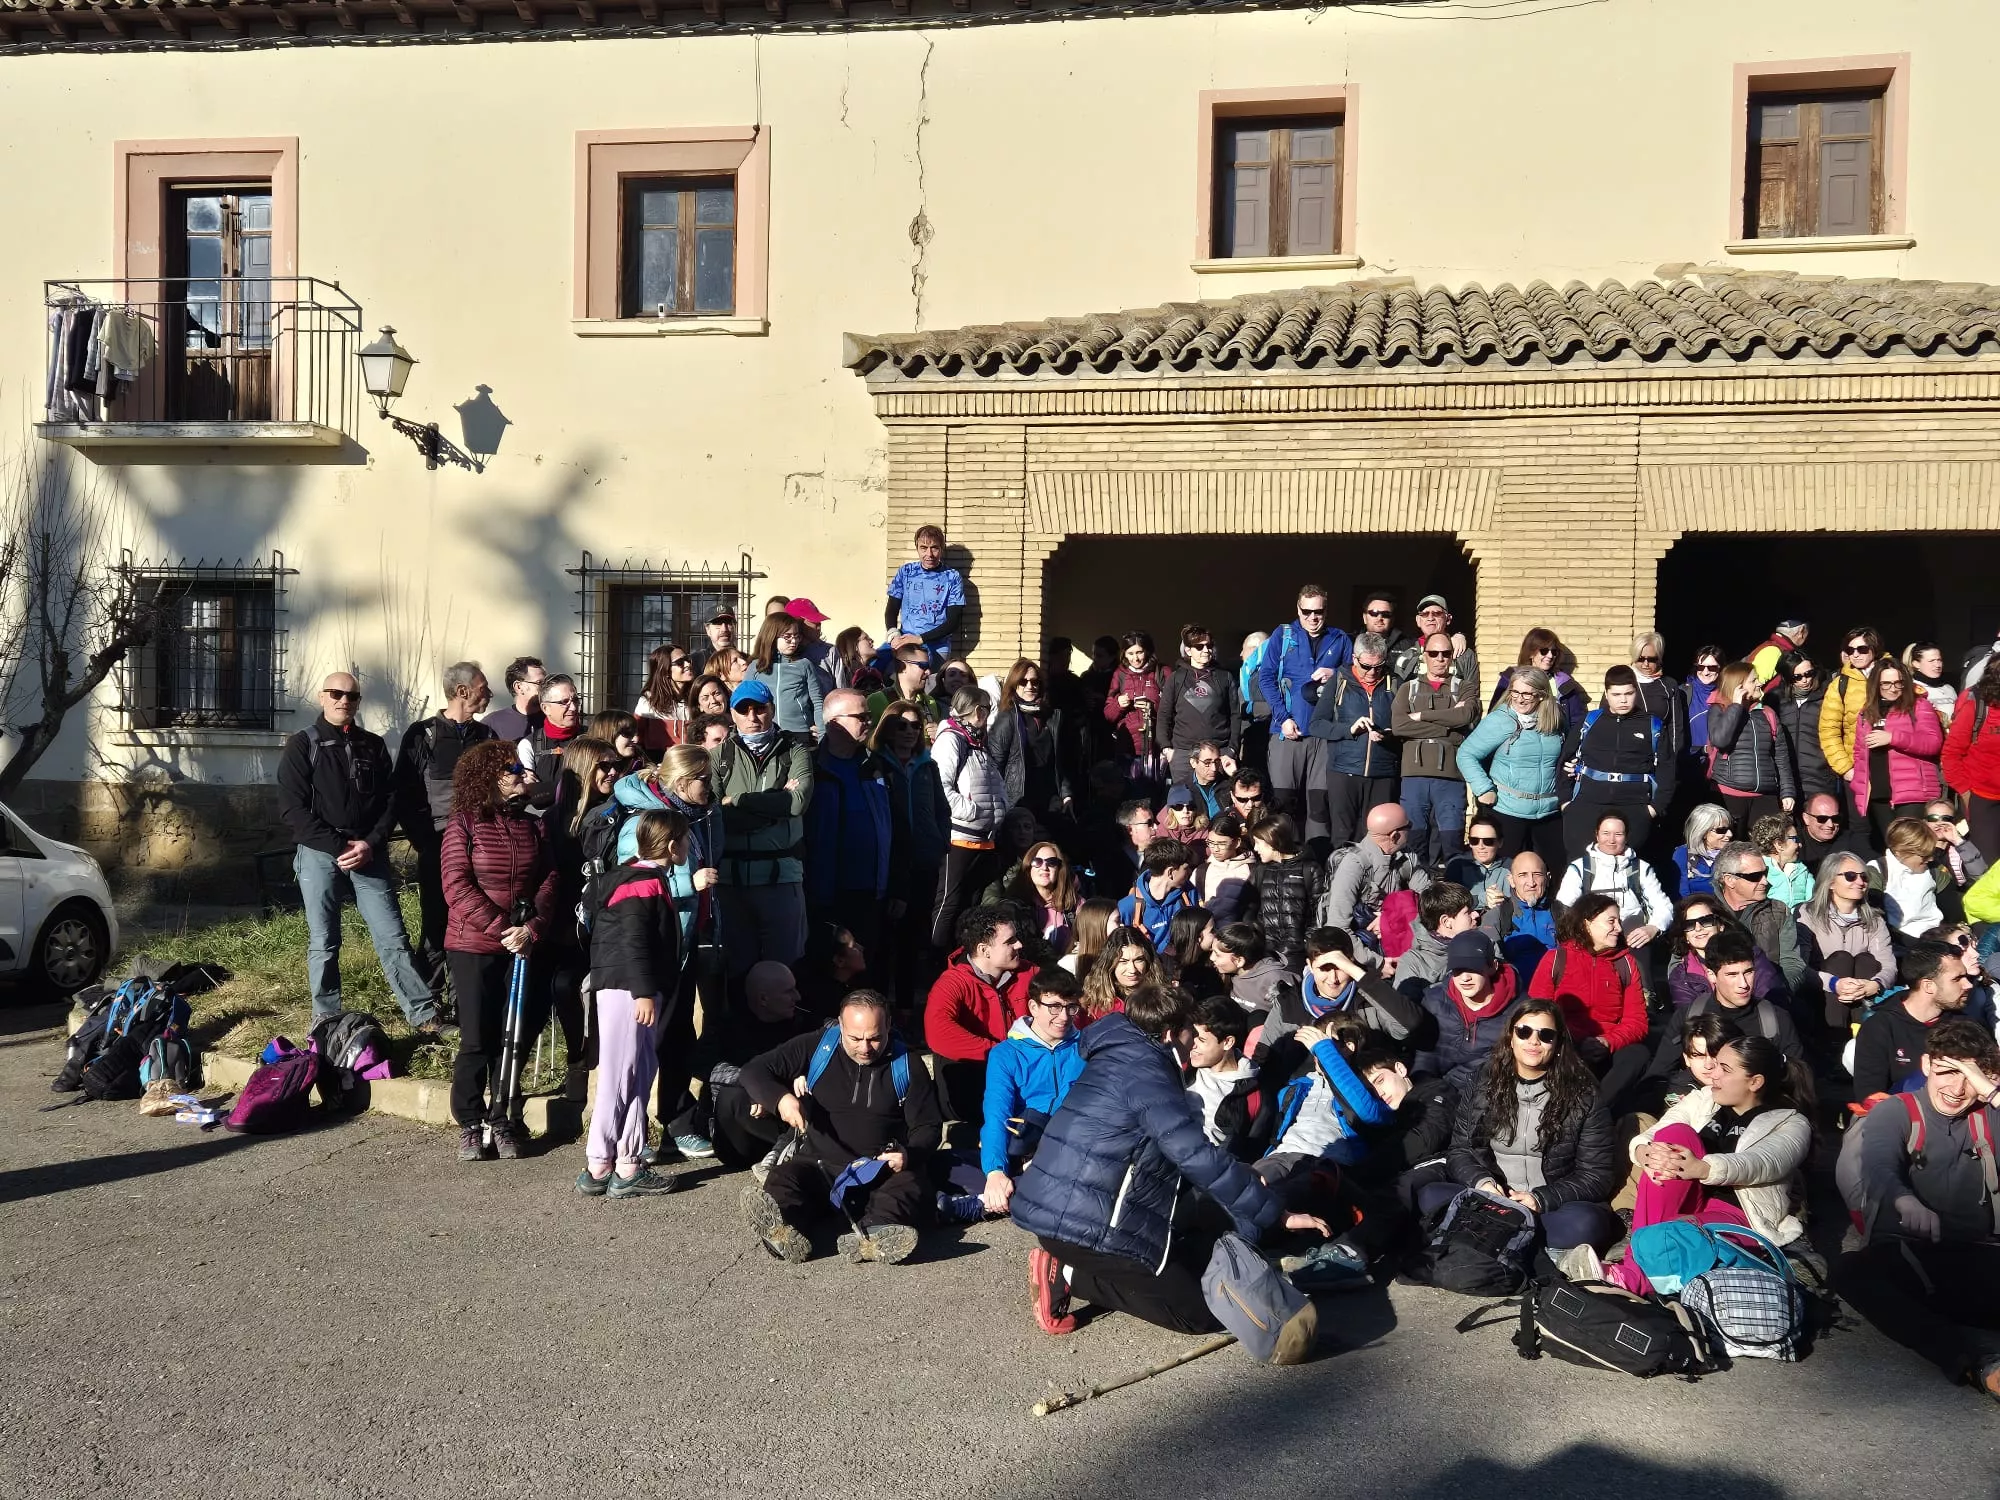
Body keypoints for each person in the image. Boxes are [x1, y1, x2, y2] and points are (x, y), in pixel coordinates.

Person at [1011, 982, 1329, 1351]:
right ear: (1167, 1034)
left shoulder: (1118, 1053)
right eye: (1188, 1031)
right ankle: (1070, 1274)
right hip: (1082, 1225)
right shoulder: (1148, 1074)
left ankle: (1080, 1262)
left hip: (1059, 1206)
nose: (1193, 1040)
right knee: (1202, 1314)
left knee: (1196, 1257)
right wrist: (1275, 1214)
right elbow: (1194, 1155)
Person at [1833, 1017, 2000, 1404]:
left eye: (1967, 1077)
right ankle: (1978, 1364)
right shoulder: (1897, 1111)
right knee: (1851, 1271)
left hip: (1982, 1254)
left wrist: (1988, 1089)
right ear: (1926, 1065)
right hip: (1915, 1257)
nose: (1956, 1090)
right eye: (1946, 1071)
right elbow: (1876, 1167)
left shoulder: (1988, 1112)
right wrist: (1904, 1199)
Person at [278, 671, 438, 1031]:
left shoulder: (373, 745)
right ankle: (326, 1014)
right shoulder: (303, 745)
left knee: (392, 935)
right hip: (320, 853)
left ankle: (423, 1014)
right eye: (336, 694)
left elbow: (390, 801)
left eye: (352, 696)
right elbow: (293, 810)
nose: (344, 701)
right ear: (322, 697)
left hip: (368, 852)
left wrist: (370, 842)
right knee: (324, 938)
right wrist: (339, 846)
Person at [739, 991, 945, 1265]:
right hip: (818, 1166)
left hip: (877, 1171)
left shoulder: (907, 1064)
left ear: (888, 1026)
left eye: (875, 1037)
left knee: (909, 1185)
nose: (865, 1047)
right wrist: (781, 1099)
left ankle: (874, 1233)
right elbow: (754, 1070)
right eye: (855, 1038)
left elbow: (928, 1126)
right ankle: (785, 1230)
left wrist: (909, 1155)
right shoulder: (817, 1047)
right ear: (840, 1025)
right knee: (783, 1178)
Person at [1419, 997, 1621, 1255]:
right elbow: (1460, 1151)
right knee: (1430, 1196)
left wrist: (1541, 1198)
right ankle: (1523, 1243)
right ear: (1510, 1038)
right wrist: (1483, 1183)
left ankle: (1490, 1236)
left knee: (1587, 1224)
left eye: (1546, 1035)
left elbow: (1596, 1175)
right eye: (1524, 1032)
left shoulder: (1584, 1093)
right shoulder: (1483, 1082)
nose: (1533, 1041)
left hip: (1548, 1207)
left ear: (1558, 1045)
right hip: (1494, 1198)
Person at [441, 739, 558, 1161]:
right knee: (477, 1037)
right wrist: (501, 928)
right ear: (489, 776)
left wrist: (530, 928)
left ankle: (503, 1116)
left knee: (515, 1038)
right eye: (513, 770)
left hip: (520, 943)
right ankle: (470, 1122)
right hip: (473, 944)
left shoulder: (533, 826)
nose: (523, 777)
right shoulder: (464, 824)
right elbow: (456, 886)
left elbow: (548, 881)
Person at [575, 809, 687, 1200]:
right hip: (629, 989)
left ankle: (620, 1161)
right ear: (672, 846)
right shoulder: (643, 884)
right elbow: (633, 940)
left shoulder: (635, 878)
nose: (688, 847)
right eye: (685, 841)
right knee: (623, 1076)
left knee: (637, 1072)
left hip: (625, 986)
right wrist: (643, 991)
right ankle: (606, 1161)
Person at [1625, 1031, 1812, 1252]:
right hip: (1687, 1200)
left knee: (1675, 1236)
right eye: (1716, 1066)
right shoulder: (1703, 1098)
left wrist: (1702, 1169)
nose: (1713, 1075)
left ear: (1754, 1082)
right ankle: (1640, 1256)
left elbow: (1760, 1163)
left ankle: (1631, 1265)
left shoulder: (1790, 1122)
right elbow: (1656, 1132)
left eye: (1725, 1069)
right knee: (1675, 1134)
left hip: (1735, 1212)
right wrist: (1645, 1153)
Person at [393, 660, 497, 995]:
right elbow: (404, 794)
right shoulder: (423, 735)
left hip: (481, 848)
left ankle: (468, 994)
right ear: (463, 692)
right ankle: (432, 997)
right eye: (483, 688)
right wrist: (424, 840)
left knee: (475, 918)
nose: (489, 693)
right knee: (437, 920)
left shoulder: (487, 736)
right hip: (438, 846)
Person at [714, 679, 814, 977]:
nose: (752, 717)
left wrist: (739, 801)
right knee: (737, 971)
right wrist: (775, 803)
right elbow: (718, 816)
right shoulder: (718, 757)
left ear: (771, 709)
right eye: (743, 710)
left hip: (781, 878)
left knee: (784, 971)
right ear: (732, 714)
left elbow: (797, 803)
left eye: (759, 709)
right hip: (732, 884)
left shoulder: (796, 751)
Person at [978, 969, 1089, 1213]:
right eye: (1054, 1007)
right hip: (1026, 1142)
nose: (1063, 1016)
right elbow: (997, 1113)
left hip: (1073, 1142)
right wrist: (995, 1171)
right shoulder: (1006, 1054)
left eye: (1071, 1007)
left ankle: (979, 1204)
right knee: (949, 1167)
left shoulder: (1086, 1047)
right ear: (1033, 1006)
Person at [1529, 892, 1650, 1112]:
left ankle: (1592, 1112)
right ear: (1586, 923)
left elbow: (1637, 1021)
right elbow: (1537, 1013)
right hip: (1566, 1045)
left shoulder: (1626, 963)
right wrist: (1575, 1039)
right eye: (1611, 921)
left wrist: (1607, 1042)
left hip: (1609, 1047)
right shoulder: (1556, 959)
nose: (1619, 928)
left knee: (1637, 1055)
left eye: (1619, 921)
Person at [1646, 929, 1802, 1094]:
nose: (1743, 984)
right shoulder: (1689, 1016)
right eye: (1732, 974)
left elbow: (1799, 1080)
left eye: (1748, 972)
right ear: (1711, 975)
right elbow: (1658, 1076)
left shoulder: (1775, 1019)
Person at [1256, 583, 1352, 843]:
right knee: (1284, 803)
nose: (1313, 617)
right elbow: (1266, 678)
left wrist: (1337, 674)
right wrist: (1282, 717)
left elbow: (1356, 678)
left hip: (1323, 734)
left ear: (1326, 611)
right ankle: (1283, 863)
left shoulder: (1340, 638)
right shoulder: (1283, 635)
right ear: (1298, 609)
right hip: (1288, 731)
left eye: (1318, 612)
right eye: (1306, 611)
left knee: (1319, 804)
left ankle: (1317, 867)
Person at [804, 688, 892, 970]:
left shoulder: (875, 765)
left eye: (869, 715)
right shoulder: (809, 767)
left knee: (864, 967)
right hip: (822, 892)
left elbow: (896, 827)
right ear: (833, 723)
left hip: (869, 891)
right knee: (825, 967)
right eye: (860, 716)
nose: (868, 721)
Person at [924, 906, 1035, 1125]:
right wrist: (1001, 1053)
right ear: (984, 950)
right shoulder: (952, 983)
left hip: (1023, 1077)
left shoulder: (1028, 973)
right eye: (1010, 941)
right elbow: (939, 1033)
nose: (1019, 945)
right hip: (975, 1086)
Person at [873, 700, 947, 1013]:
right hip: (889, 863)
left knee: (914, 939)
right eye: (901, 725)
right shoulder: (876, 764)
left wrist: (940, 841)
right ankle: (879, 1009)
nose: (909, 732)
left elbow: (942, 808)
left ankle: (905, 1009)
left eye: (915, 726)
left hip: (924, 862)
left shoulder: (927, 765)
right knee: (885, 939)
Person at [1459, 665, 1568, 868]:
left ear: (1542, 695)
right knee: (1508, 872)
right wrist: (1483, 788)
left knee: (1554, 871)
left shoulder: (1556, 720)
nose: (1519, 698)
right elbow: (1466, 754)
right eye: (1515, 692)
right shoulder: (1500, 720)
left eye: (1527, 694)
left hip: (1549, 811)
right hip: (1508, 810)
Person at [1560, 665, 1673, 859]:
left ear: (1636, 691)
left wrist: (1654, 808)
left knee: (1629, 873)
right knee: (1582, 869)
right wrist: (1565, 803)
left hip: (1634, 807)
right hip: (1586, 806)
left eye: (1628, 693)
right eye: (1616, 694)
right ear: (1606, 693)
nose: (1623, 700)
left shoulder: (1652, 725)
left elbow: (1668, 770)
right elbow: (1564, 761)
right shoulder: (1590, 722)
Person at [1257, 927, 1426, 1049]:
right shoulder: (1288, 1003)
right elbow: (1264, 1057)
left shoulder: (1371, 994)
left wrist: (1356, 971)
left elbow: (1409, 1026)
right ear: (1309, 965)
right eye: (1324, 968)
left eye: (1340, 967)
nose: (1333, 979)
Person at [931, 686, 1008, 952]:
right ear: (978, 711)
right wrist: (972, 812)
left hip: (984, 838)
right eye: (987, 708)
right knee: (949, 903)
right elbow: (941, 787)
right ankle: (935, 961)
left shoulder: (977, 741)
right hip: (960, 837)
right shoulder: (951, 739)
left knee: (970, 904)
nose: (989, 714)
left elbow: (993, 782)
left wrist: (1001, 808)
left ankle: (961, 957)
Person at [1391, 631, 1479, 864]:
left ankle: (1451, 897)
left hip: (1450, 778)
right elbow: (1399, 726)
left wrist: (1420, 716)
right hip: (1414, 778)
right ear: (1424, 655)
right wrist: (1449, 728)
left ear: (1452, 657)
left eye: (1445, 653)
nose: (1439, 658)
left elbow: (1466, 715)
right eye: (1433, 653)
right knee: (1413, 846)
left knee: (1452, 844)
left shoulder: (1464, 687)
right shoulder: (1407, 689)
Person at [1307, 632, 1399, 849]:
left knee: (1377, 837)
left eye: (1378, 666)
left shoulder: (1394, 683)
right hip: (1344, 770)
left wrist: (1390, 733)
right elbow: (1316, 724)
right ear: (1354, 658)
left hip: (1383, 772)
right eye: (1366, 666)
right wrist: (1349, 729)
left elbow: (1405, 725)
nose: (1372, 672)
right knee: (1343, 835)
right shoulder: (1339, 681)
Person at [1852, 940, 1974, 1099]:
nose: (1968, 985)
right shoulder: (1880, 1027)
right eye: (1957, 979)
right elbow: (1869, 1096)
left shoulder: (1966, 1026)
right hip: (1897, 1117)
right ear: (1928, 986)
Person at [1797, 849, 1895, 1038]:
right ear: (1831, 881)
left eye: (1864, 877)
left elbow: (1888, 964)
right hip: (1822, 995)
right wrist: (1834, 983)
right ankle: (1835, 1038)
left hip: (1864, 992)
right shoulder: (1807, 914)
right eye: (1850, 876)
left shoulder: (1874, 920)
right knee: (1840, 960)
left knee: (1866, 960)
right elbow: (1800, 966)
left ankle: (1863, 1035)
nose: (1860, 882)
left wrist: (1874, 985)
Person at [1850, 658, 1944, 849]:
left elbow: (1933, 743)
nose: (1892, 688)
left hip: (1913, 793)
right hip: (1878, 794)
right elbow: (1860, 753)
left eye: (1898, 682)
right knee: (1891, 850)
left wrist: (1893, 738)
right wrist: (1859, 786)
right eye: (1886, 683)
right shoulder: (1866, 713)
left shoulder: (1919, 706)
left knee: (1909, 848)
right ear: (1876, 685)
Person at [1553, 808, 1671, 951]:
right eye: (1606, 833)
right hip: (1592, 938)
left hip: (1632, 937)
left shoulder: (1641, 868)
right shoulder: (1580, 867)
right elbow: (1564, 905)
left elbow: (1663, 905)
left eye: (1618, 834)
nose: (1611, 840)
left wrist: (1653, 928)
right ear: (1597, 835)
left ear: (1626, 837)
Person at [1416, 928, 1518, 1088]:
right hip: (1438, 1092)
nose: (1465, 978)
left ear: (1493, 966)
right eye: (1458, 970)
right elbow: (1425, 1054)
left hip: (1484, 1096)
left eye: (1473, 968)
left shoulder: (1517, 1010)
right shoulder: (1434, 1000)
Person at [1322, 803, 1431, 952]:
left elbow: (1430, 897)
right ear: (1395, 835)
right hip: (1361, 947)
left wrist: (1391, 918)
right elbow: (1338, 926)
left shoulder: (1406, 856)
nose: (1411, 829)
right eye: (1409, 826)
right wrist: (1377, 963)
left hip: (1399, 938)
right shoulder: (1354, 864)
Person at [986, 658, 1075, 834]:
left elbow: (1060, 761)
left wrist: (1066, 794)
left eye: (1035, 681)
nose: (1029, 686)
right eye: (1023, 681)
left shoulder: (1053, 717)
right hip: (1020, 799)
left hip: (1050, 799)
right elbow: (995, 765)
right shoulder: (1008, 718)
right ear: (1014, 685)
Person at [1706, 661, 1797, 829]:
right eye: (1753, 680)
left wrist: (1787, 792)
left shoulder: (1767, 714)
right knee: (1733, 851)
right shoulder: (1720, 709)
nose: (1759, 683)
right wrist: (1735, 706)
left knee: (1768, 849)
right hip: (1730, 794)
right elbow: (1720, 740)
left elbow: (1781, 757)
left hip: (1765, 796)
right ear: (1739, 685)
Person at [1711, 841, 1808, 996]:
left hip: (1772, 995)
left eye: (1766, 873)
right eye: (1755, 876)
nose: (1765, 881)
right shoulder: (1706, 913)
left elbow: (1792, 963)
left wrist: (1777, 994)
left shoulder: (1778, 911)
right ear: (1730, 880)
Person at [1664, 895, 1785, 1011]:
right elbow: (1689, 1017)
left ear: (1720, 925)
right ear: (1685, 936)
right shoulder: (1681, 975)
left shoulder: (1752, 956)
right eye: (1689, 924)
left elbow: (1771, 1000)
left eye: (1706, 921)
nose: (1698, 928)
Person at [1245, 814, 1325, 973]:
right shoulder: (1260, 871)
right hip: (1265, 954)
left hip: (1298, 956)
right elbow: (1249, 909)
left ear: (1272, 842)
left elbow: (1319, 913)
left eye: (1258, 843)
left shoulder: (1310, 869)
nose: (1255, 848)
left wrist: (1306, 944)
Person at [1185, 995, 1261, 1157]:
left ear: (1227, 1042)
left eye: (1202, 1040)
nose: (1192, 1045)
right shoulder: (1184, 1065)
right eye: (1192, 1036)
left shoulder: (1248, 1095)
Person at [1159, 625, 1242, 774]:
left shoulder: (1225, 677)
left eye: (1209, 645)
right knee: (1184, 796)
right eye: (1199, 647)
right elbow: (1164, 715)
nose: (1206, 650)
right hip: (1184, 754)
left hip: (1219, 752)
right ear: (1188, 650)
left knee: (1218, 796)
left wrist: (1232, 749)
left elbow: (1235, 715)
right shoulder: (1176, 678)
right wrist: (1167, 749)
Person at [987, 839, 1081, 964]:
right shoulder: (1012, 908)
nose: (1044, 867)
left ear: (1059, 869)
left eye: (1052, 862)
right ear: (1028, 867)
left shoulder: (1076, 904)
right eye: (1037, 861)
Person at [886, 523, 966, 667]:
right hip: (905, 640)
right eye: (923, 548)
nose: (929, 554)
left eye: (934, 548)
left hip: (937, 646)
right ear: (917, 548)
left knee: (929, 685)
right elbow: (891, 609)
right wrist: (893, 635)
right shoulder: (906, 572)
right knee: (877, 667)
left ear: (941, 549)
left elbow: (953, 622)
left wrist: (920, 639)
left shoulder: (952, 577)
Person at [1819, 624, 1884, 797]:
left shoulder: (1893, 674)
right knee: (1860, 824)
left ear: (1874, 649)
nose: (1855, 654)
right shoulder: (1840, 684)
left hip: (1892, 767)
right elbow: (1828, 731)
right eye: (1850, 650)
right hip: (1857, 769)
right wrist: (1846, 768)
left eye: (1862, 649)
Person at [1942, 671, 2000, 865]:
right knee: (1989, 867)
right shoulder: (1977, 706)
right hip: (1983, 800)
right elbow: (1951, 754)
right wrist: (1967, 793)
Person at [1486, 628, 1588, 734]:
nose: (1550, 655)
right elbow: (1494, 715)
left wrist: (1568, 748)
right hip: (1516, 743)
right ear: (1531, 653)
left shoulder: (1565, 683)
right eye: (1544, 651)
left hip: (1555, 744)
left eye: (1554, 652)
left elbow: (1577, 722)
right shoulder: (1511, 679)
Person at [746, 611, 825, 737]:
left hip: (800, 732)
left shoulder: (804, 665)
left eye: (797, 636)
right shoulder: (755, 667)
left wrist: (822, 733)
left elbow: (817, 702)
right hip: (766, 733)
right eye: (787, 637)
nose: (794, 641)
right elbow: (746, 702)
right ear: (772, 636)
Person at [1394, 883, 1478, 1002]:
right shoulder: (1413, 964)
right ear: (1446, 921)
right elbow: (1403, 1015)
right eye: (1468, 912)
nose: (1476, 915)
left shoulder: (1483, 944)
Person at [1104, 631, 1168, 785]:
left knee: (1155, 794)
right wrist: (1119, 704)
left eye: (1139, 652)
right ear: (1124, 654)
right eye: (1130, 653)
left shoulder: (1162, 672)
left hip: (1156, 748)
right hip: (1128, 748)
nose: (1136, 658)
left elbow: (1173, 708)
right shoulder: (1119, 674)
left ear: (1147, 650)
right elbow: (1108, 715)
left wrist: (1154, 704)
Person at [1485, 851, 1557, 986]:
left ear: (1547, 878)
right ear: (1511, 881)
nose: (1531, 882)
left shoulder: (1561, 913)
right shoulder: (1498, 916)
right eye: (1523, 875)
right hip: (1517, 995)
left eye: (1537, 874)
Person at [1774, 654, 1838, 803]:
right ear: (1787, 677)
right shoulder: (1775, 699)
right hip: (1786, 779)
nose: (1805, 680)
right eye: (1797, 677)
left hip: (1820, 777)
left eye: (1809, 674)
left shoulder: (1828, 695)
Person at [1116, 838, 1200, 949]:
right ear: (1170, 872)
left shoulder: (1189, 894)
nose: (1190, 872)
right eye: (1186, 868)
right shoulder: (1127, 907)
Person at [1391, 594, 1478, 691]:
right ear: (1418, 620)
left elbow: (1472, 695)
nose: (1430, 618)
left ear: (1448, 619)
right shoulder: (1406, 657)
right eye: (1425, 614)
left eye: (1437, 613)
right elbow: (1398, 699)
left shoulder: (1463, 655)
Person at [1875, 816, 1945, 939]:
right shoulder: (1878, 871)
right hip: (1898, 940)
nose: (1930, 859)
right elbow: (1875, 918)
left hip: (1936, 935)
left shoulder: (1934, 870)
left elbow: (1953, 907)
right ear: (1900, 852)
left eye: (1931, 853)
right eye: (1924, 855)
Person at [1081, 925, 1164, 1020]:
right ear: (1110, 964)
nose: (1132, 970)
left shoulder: (1163, 997)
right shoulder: (1093, 1006)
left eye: (1139, 960)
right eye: (1123, 961)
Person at [1665, 802, 1735, 900]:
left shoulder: (1733, 854)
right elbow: (1681, 893)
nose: (1730, 834)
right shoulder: (1683, 854)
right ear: (1703, 832)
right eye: (1721, 830)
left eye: (1730, 829)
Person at [867, 641, 941, 732]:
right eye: (923, 666)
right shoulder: (877, 700)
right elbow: (869, 742)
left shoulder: (930, 702)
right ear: (903, 666)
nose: (928, 672)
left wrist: (938, 736)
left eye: (929, 667)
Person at [633, 644, 697, 745]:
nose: (687, 664)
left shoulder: (697, 698)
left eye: (687, 659)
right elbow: (636, 739)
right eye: (680, 662)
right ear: (665, 670)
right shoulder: (648, 702)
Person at [1198, 812, 1256, 924]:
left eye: (1221, 843)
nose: (1215, 849)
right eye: (1210, 843)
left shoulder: (1253, 870)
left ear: (1237, 842)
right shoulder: (1201, 871)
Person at [1797, 790, 1871, 876]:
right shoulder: (1795, 842)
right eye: (1822, 819)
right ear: (1806, 818)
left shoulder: (1850, 839)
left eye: (1836, 818)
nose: (1830, 825)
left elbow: (1874, 865)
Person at [1445, 816, 1512, 910]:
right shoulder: (1457, 865)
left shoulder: (1511, 867)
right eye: (1474, 841)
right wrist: (1482, 899)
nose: (1481, 846)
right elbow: (1447, 902)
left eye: (1488, 841)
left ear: (1500, 842)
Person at [1752, 813, 1814, 911]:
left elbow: (1814, 903)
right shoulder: (1758, 872)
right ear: (1779, 844)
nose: (1800, 845)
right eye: (1796, 839)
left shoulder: (1802, 871)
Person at [482, 655, 545, 741]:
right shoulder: (493, 724)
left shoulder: (555, 718)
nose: (546, 687)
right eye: (540, 683)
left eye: (547, 682)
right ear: (519, 687)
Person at [1176, 740, 1235, 823]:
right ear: (1193, 762)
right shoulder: (1180, 789)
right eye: (1207, 763)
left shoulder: (1228, 784)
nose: (1214, 768)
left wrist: (1234, 774)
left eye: (1217, 762)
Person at [1060, 897, 1119, 979]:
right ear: (1098, 925)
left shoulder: (1119, 955)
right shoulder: (1069, 964)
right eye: (1117, 921)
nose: (1122, 925)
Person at [1748, 619, 1810, 696]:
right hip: (1763, 705)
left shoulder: (1778, 647)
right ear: (1801, 631)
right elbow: (1752, 687)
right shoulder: (1773, 651)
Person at [1684, 645, 1724, 760]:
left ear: (1720, 668)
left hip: (1718, 764)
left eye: (1712, 668)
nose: (1705, 672)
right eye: (1701, 667)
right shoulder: (1683, 693)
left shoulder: (1728, 695)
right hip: (1690, 761)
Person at [1907, 640, 1958, 725]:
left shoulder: (1949, 688)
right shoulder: (1910, 689)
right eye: (1931, 661)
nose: (1937, 665)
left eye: (1939, 660)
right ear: (1916, 664)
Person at [688, 608, 737, 675]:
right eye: (718, 623)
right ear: (707, 629)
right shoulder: (695, 661)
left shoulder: (745, 662)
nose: (724, 629)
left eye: (728, 623)